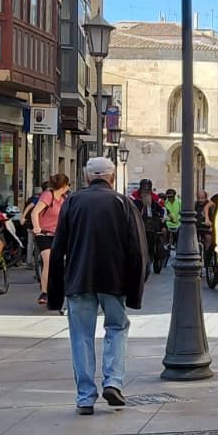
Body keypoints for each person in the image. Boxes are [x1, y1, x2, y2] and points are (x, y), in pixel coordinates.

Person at [45, 157, 148, 414]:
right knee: (117, 327)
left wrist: (54, 295)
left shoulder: (72, 202)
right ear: (112, 177)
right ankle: (113, 381)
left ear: (87, 177)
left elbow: (58, 250)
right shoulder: (123, 204)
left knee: (81, 336)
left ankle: (85, 397)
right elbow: (138, 251)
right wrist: (136, 289)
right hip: (114, 280)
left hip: (79, 279)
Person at [29, 173, 71, 306]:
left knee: (61, 261)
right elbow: (35, 212)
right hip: (44, 234)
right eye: (68, 185)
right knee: (48, 260)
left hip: (58, 235)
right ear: (63, 186)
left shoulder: (65, 198)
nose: (68, 188)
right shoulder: (48, 195)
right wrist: (37, 227)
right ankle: (45, 293)